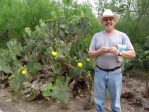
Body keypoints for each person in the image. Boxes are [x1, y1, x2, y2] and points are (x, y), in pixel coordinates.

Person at [88, 9, 136, 112]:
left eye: (110, 19)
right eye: (105, 20)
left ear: (114, 21)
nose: (108, 22)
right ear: (102, 22)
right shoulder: (96, 36)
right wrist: (99, 52)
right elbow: (90, 53)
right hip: (99, 72)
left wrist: (119, 52)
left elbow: (132, 53)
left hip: (115, 73)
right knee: (98, 101)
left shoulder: (122, 36)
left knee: (116, 103)